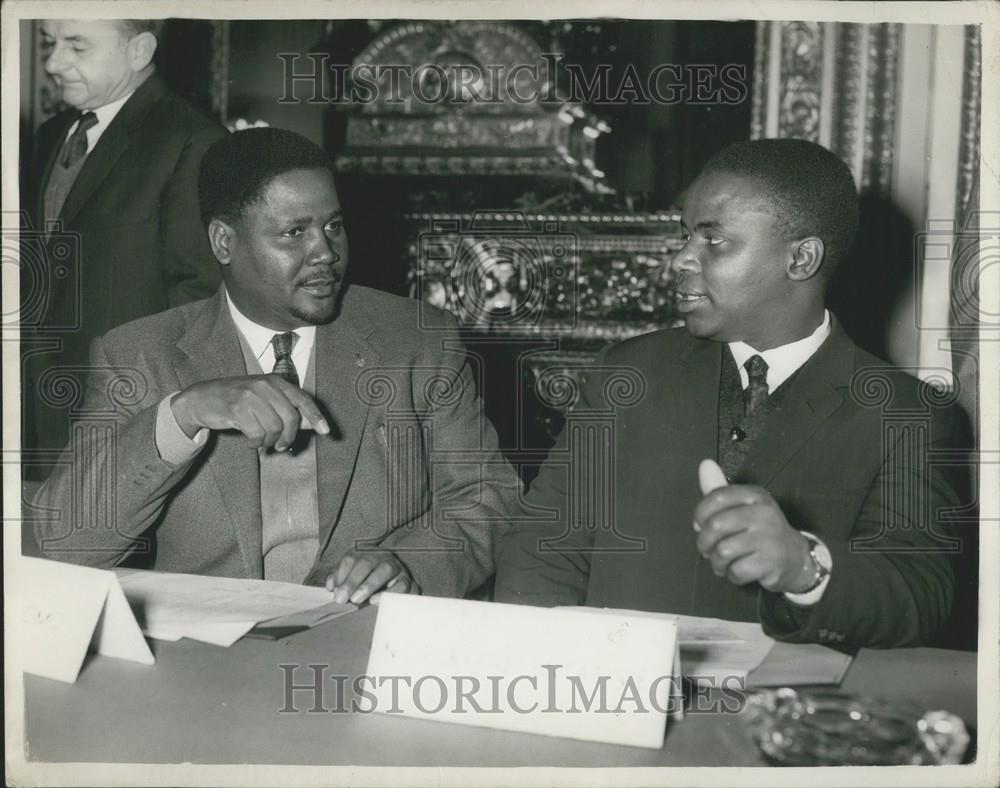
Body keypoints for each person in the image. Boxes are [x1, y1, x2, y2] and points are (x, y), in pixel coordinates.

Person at [494, 139, 969, 652]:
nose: (681, 259)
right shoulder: (625, 374)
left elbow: (920, 598)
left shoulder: (908, 414)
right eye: (685, 237)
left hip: (782, 721)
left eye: (713, 241)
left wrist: (804, 567)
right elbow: (544, 551)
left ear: (801, 259)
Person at [32, 127, 521, 604]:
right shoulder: (138, 355)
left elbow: (489, 499)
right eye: (294, 233)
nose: (326, 253)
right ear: (224, 242)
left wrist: (409, 564)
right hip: (209, 664)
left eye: (333, 226)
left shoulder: (416, 339)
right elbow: (68, 543)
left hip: (366, 640)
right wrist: (180, 414)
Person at [22, 19, 226, 467]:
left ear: (139, 51)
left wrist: (154, 426)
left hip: (123, 418)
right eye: (49, 44)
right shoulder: (51, 135)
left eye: (76, 46)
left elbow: (198, 299)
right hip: (39, 408)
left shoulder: (192, 140)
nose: (54, 63)